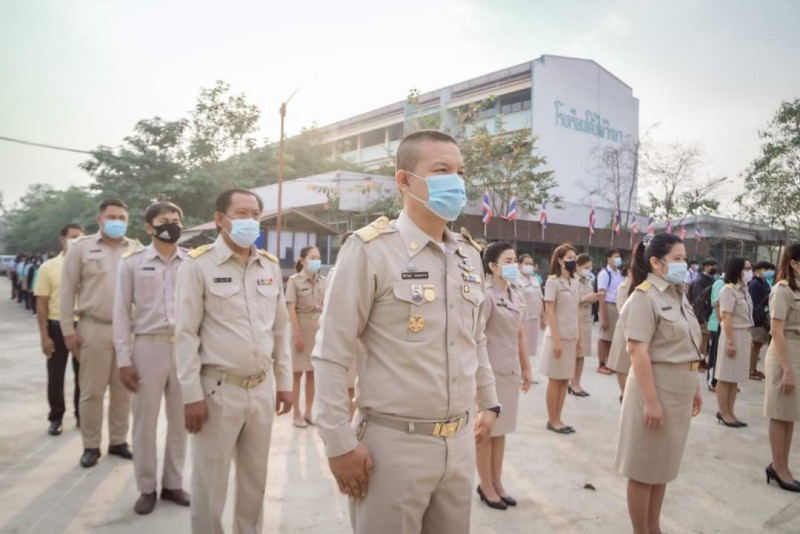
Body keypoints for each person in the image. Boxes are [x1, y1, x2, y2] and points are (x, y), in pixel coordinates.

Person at [312, 130, 500, 534]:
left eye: (460, 172)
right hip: (393, 445)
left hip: (460, 440)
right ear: (404, 180)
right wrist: (338, 442)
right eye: (442, 170)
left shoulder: (468, 255)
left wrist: (490, 401)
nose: (456, 182)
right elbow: (330, 352)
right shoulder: (370, 250)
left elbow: (476, 337)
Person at [175, 188, 293, 534]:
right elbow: (185, 334)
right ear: (220, 219)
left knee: (255, 479)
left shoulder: (269, 266)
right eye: (241, 213)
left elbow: (280, 331)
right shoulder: (198, 265)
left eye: (255, 214)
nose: (249, 221)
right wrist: (191, 395)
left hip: (261, 388)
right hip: (217, 390)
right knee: (210, 482)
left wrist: (285, 383)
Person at [616, 233, 703, 534]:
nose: (684, 264)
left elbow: (688, 345)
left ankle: (654, 527)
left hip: (679, 391)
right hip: (655, 390)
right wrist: (651, 401)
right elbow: (637, 351)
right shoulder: (644, 297)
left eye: (684, 258)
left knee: (662, 467)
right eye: (677, 259)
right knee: (644, 468)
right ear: (656, 262)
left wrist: (695, 387)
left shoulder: (678, 294)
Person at [113, 202, 190, 515]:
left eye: (176, 220)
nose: (171, 225)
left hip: (184, 349)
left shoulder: (192, 262)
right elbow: (120, 313)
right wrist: (124, 360)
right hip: (148, 347)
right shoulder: (132, 263)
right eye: (163, 220)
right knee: (145, 423)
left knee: (181, 422)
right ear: (149, 228)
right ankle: (146, 488)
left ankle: (173, 483)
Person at [60, 198, 141, 468]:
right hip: (93, 327)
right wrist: (68, 330)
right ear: (100, 220)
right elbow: (67, 291)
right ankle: (91, 445)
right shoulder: (81, 248)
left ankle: (118, 441)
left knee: (123, 390)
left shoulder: (136, 249)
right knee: (92, 391)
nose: (117, 222)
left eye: (122, 218)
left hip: (128, 331)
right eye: (111, 217)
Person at [476, 242, 532, 510]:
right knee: (486, 432)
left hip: (509, 372)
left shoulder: (516, 294)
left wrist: (526, 367)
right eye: (508, 261)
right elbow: (476, 337)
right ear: (493, 266)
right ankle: (485, 485)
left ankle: (497, 482)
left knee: (502, 431)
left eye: (515, 260)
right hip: (489, 374)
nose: (514, 265)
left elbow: (520, 334)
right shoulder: (485, 296)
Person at [34, 224, 84, 436]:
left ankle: (82, 415)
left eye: (80, 238)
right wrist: (44, 336)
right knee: (56, 376)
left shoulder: (88, 265)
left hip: (83, 326)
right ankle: (56, 417)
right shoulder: (48, 267)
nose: (76, 241)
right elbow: (41, 303)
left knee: (84, 376)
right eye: (73, 237)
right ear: (62, 239)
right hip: (56, 327)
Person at [763, 243, 800, 492]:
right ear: (795, 263)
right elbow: (776, 331)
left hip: (797, 351)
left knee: (790, 413)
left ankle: (784, 465)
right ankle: (778, 466)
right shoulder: (782, 290)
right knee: (779, 412)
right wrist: (787, 369)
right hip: (784, 353)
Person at [540, 243, 582, 434]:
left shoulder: (574, 282)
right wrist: (556, 340)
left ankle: (559, 418)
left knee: (565, 381)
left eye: (574, 257)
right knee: (555, 380)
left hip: (571, 337)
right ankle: (552, 420)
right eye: (569, 258)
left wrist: (580, 339)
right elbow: (549, 311)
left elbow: (576, 311)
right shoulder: (553, 282)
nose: (573, 261)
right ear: (559, 260)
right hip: (557, 337)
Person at [285, 245, 326, 428]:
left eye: (318, 257)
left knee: (312, 373)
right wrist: (297, 335)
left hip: (317, 331)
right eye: (312, 257)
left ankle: (309, 411)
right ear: (302, 260)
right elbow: (291, 309)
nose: (316, 261)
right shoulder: (294, 281)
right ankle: (296, 413)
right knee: (297, 374)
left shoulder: (323, 281)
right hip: (300, 329)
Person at [714, 257, 754, 428]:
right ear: (737, 270)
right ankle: (723, 412)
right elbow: (726, 316)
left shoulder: (744, 289)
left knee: (735, 377)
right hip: (732, 334)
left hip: (743, 333)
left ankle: (730, 411)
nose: (750, 271)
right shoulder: (728, 290)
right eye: (746, 268)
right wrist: (730, 341)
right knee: (725, 376)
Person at [571, 253, 600, 396]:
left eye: (589, 268)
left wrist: (594, 298)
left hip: (587, 318)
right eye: (585, 267)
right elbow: (570, 301)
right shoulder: (572, 280)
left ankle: (577, 383)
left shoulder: (588, 280)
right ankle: (572, 383)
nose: (588, 270)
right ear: (577, 266)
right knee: (575, 353)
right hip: (576, 317)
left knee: (582, 353)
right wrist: (585, 298)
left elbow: (589, 297)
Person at [607, 263, 634, 398]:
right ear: (629, 271)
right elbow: (623, 309)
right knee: (622, 364)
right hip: (625, 327)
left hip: (633, 328)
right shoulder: (624, 287)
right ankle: (624, 394)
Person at [597, 248, 625, 374]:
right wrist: (604, 317)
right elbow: (601, 295)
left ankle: (610, 363)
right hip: (608, 306)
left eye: (619, 256)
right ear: (609, 259)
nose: (618, 259)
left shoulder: (619, 273)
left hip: (618, 306)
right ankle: (601, 364)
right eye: (615, 256)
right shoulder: (604, 274)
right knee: (605, 337)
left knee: (613, 338)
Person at [689, 257, 719, 364]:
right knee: (703, 338)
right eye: (712, 266)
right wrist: (700, 318)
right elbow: (698, 300)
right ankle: (700, 362)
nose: (714, 268)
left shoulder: (712, 279)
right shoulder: (700, 281)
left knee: (706, 337)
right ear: (705, 267)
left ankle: (702, 361)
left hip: (709, 313)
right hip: (703, 313)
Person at [749, 261, 774, 381]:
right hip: (757, 319)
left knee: (758, 345)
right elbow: (756, 304)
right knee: (756, 344)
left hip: (763, 318)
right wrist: (759, 319)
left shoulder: (765, 283)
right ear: (758, 270)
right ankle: (750, 369)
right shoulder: (755, 284)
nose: (768, 272)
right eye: (766, 269)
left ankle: (753, 368)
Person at [517, 254, 545, 359]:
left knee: (531, 349)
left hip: (535, 318)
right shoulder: (515, 279)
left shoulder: (535, 279)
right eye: (526, 263)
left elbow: (540, 298)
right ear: (519, 265)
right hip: (523, 319)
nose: (529, 266)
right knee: (521, 347)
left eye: (530, 264)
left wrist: (543, 317)